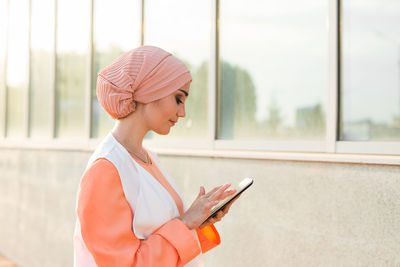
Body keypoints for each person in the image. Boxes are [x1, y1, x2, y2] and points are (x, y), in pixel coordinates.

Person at [73, 45, 237, 267]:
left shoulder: (147, 158)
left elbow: (161, 238)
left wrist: (198, 220)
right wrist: (186, 221)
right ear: (150, 90)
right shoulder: (106, 169)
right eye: (179, 98)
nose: (183, 112)